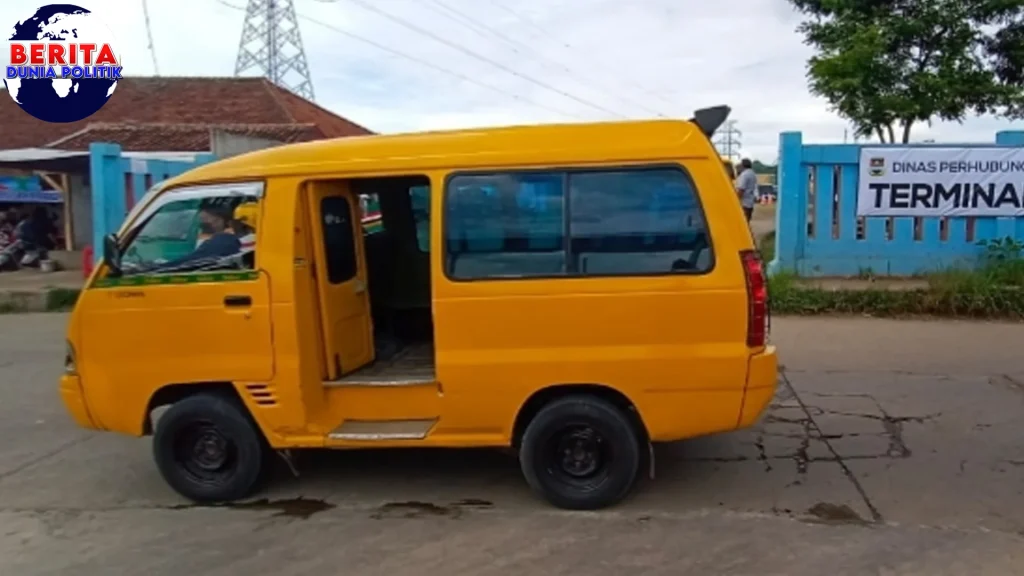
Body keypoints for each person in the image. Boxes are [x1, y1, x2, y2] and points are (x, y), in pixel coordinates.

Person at [157, 205, 240, 269]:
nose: (204, 223)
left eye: (208, 219)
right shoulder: (212, 239)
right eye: (201, 219)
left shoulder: (223, 241)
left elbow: (193, 260)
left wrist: (162, 266)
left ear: (227, 222)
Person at [734, 158, 758, 223]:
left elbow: (741, 189)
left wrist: (736, 200)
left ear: (743, 165)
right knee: (747, 220)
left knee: (742, 221)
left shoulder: (744, 175)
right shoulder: (752, 173)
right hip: (750, 201)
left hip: (744, 202)